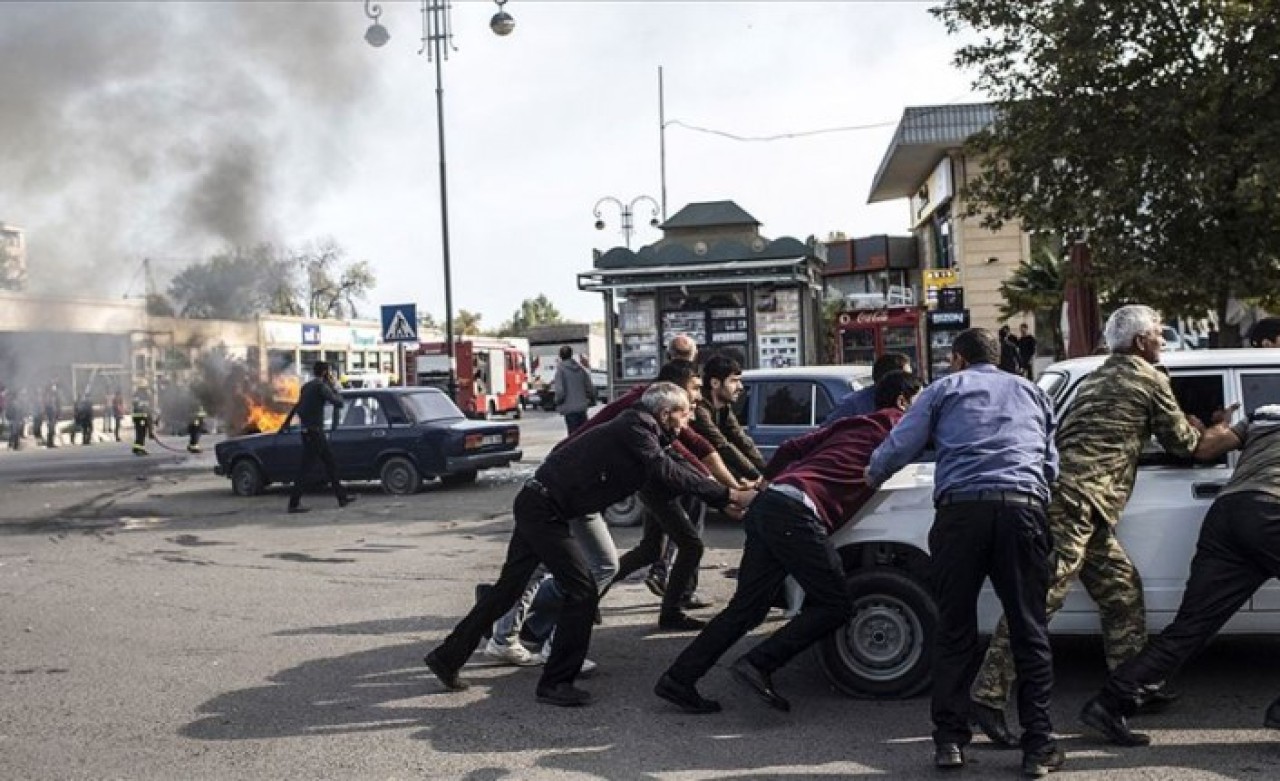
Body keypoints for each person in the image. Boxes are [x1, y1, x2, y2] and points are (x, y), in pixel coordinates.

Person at [969, 304, 1235, 749]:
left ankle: (1130, 690)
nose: (1164, 341)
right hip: (1078, 503)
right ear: (1139, 343)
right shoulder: (1149, 378)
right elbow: (1189, 447)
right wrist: (1223, 429)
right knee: (1041, 603)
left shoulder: (1097, 377)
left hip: (1076, 502)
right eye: (1158, 334)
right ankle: (988, 696)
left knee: (1121, 590)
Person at [423, 382, 758, 707]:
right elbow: (665, 468)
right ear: (667, 412)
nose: (688, 422)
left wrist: (722, 498)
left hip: (542, 504)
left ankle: (446, 657)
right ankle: (556, 682)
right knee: (581, 589)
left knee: (508, 591)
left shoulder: (647, 431)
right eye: (684, 415)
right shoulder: (636, 426)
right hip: (544, 509)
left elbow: (677, 470)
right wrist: (729, 494)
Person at [657, 370, 923, 716]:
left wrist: (764, 484)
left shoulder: (856, 423)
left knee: (747, 609)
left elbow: (790, 447)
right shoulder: (902, 426)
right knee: (836, 603)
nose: (923, 410)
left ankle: (678, 679)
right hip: (798, 514)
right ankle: (759, 663)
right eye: (919, 402)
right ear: (903, 402)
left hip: (775, 502)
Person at [866, 328, 1062, 777]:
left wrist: (870, 475)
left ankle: (950, 742)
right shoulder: (1034, 392)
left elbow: (898, 447)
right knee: (1029, 630)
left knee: (954, 629)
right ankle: (1038, 747)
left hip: (961, 516)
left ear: (957, 358)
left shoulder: (943, 389)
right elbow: (1051, 465)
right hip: (1022, 511)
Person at [1078, 404, 1280, 746]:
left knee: (1192, 626)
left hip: (1228, 514)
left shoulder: (1267, 413)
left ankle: (1110, 702)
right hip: (1273, 510)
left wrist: (1214, 427)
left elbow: (1205, 449)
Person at [607, 360, 722, 631]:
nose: (697, 399)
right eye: (695, 388)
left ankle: (584, 597)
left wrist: (714, 484)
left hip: (646, 482)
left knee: (650, 549)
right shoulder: (640, 419)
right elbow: (666, 466)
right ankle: (672, 610)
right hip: (581, 490)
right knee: (691, 545)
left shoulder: (659, 416)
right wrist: (723, 492)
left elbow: (684, 454)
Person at [279, 361, 356, 514]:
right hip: (315, 433)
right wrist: (334, 387)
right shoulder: (321, 386)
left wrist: (285, 424)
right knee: (306, 469)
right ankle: (293, 504)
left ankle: (342, 498)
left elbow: (297, 406)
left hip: (308, 432)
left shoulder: (306, 386)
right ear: (325, 372)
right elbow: (338, 403)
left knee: (330, 464)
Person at [692, 355, 766, 482]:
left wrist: (767, 472)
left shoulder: (724, 407)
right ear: (715, 383)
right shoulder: (699, 410)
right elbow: (722, 445)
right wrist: (757, 475)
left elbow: (741, 439)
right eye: (733, 381)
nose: (740, 387)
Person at [822, 352, 913, 425]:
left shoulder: (912, 401)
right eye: (907, 377)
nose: (912, 381)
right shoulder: (853, 405)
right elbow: (826, 433)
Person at [551, 346, 596, 435]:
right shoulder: (581, 370)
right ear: (571, 355)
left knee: (573, 436)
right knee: (583, 434)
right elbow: (590, 388)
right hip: (582, 407)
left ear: (560, 356)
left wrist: (557, 401)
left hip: (569, 409)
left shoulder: (560, 371)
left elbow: (560, 391)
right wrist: (590, 399)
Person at [130, 386, 154, 456]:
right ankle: (139, 449)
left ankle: (137, 448)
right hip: (141, 417)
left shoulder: (137, 395)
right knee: (141, 434)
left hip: (140, 417)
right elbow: (140, 406)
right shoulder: (142, 396)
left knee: (141, 433)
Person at [41, 380, 61, 448]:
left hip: (53, 414)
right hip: (50, 414)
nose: (54, 388)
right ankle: (50, 443)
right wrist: (46, 416)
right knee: (51, 429)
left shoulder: (53, 396)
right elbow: (46, 407)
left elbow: (57, 405)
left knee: (52, 429)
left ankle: (51, 442)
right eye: (52, 386)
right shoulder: (47, 397)